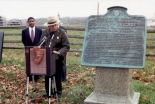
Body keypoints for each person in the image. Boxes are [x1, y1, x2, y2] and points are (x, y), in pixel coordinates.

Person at [40, 16, 70, 98]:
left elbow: (66, 46)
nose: (53, 27)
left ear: (58, 24)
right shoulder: (45, 33)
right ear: (48, 26)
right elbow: (41, 44)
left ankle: (58, 92)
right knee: (47, 76)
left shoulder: (62, 33)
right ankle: (48, 92)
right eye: (51, 26)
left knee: (57, 76)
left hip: (57, 58)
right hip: (47, 58)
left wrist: (59, 52)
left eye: (55, 25)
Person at [22, 17, 42, 82]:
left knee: (37, 61)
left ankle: (37, 76)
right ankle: (29, 76)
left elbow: (40, 39)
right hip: (28, 49)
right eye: (30, 21)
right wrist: (27, 46)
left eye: (32, 21)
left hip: (36, 48)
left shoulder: (39, 30)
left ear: (34, 22)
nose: (31, 22)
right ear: (28, 22)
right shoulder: (24, 31)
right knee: (29, 62)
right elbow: (23, 40)